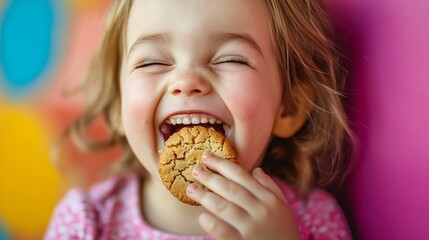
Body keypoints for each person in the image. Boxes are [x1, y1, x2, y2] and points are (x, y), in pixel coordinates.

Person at [45, 0, 355, 239]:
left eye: (230, 58)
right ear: (117, 107)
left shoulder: (312, 219)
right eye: (152, 61)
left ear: (288, 106)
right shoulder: (86, 223)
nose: (187, 79)